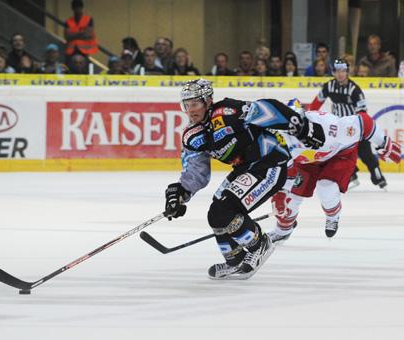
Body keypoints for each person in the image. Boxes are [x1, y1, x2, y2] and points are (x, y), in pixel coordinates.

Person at [163, 79, 326, 280]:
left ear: (208, 101)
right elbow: (196, 171)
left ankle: (260, 244)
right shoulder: (192, 135)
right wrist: (181, 192)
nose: (191, 110)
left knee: (224, 211)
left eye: (195, 104)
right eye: (186, 105)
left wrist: (302, 127)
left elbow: (267, 108)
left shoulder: (227, 112)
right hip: (246, 169)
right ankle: (235, 260)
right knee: (215, 214)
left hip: (270, 161)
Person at [268, 99, 401, 241]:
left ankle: (333, 215)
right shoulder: (281, 140)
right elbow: (288, 172)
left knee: (326, 188)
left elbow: (365, 123)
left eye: (299, 123)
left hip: (339, 154)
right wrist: (281, 194)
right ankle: (282, 230)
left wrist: (384, 143)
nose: (297, 129)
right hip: (307, 162)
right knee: (291, 199)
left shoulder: (331, 127)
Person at [309, 58, 388, 189]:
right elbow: (316, 103)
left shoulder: (354, 89)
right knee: (335, 153)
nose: (340, 74)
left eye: (343, 71)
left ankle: (378, 178)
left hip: (355, 126)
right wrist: (310, 117)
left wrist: (360, 129)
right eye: (337, 71)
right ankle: (352, 176)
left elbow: (363, 112)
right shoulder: (329, 86)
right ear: (333, 72)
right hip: (338, 128)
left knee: (365, 153)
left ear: (347, 72)